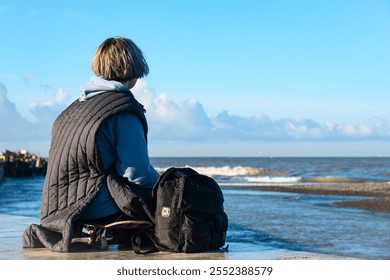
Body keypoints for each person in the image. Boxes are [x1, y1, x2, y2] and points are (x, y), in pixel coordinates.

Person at [22, 37, 159, 252]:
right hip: (94, 206)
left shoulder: (71, 110)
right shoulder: (122, 109)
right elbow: (136, 173)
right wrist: (165, 184)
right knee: (173, 195)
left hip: (56, 209)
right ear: (134, 68)